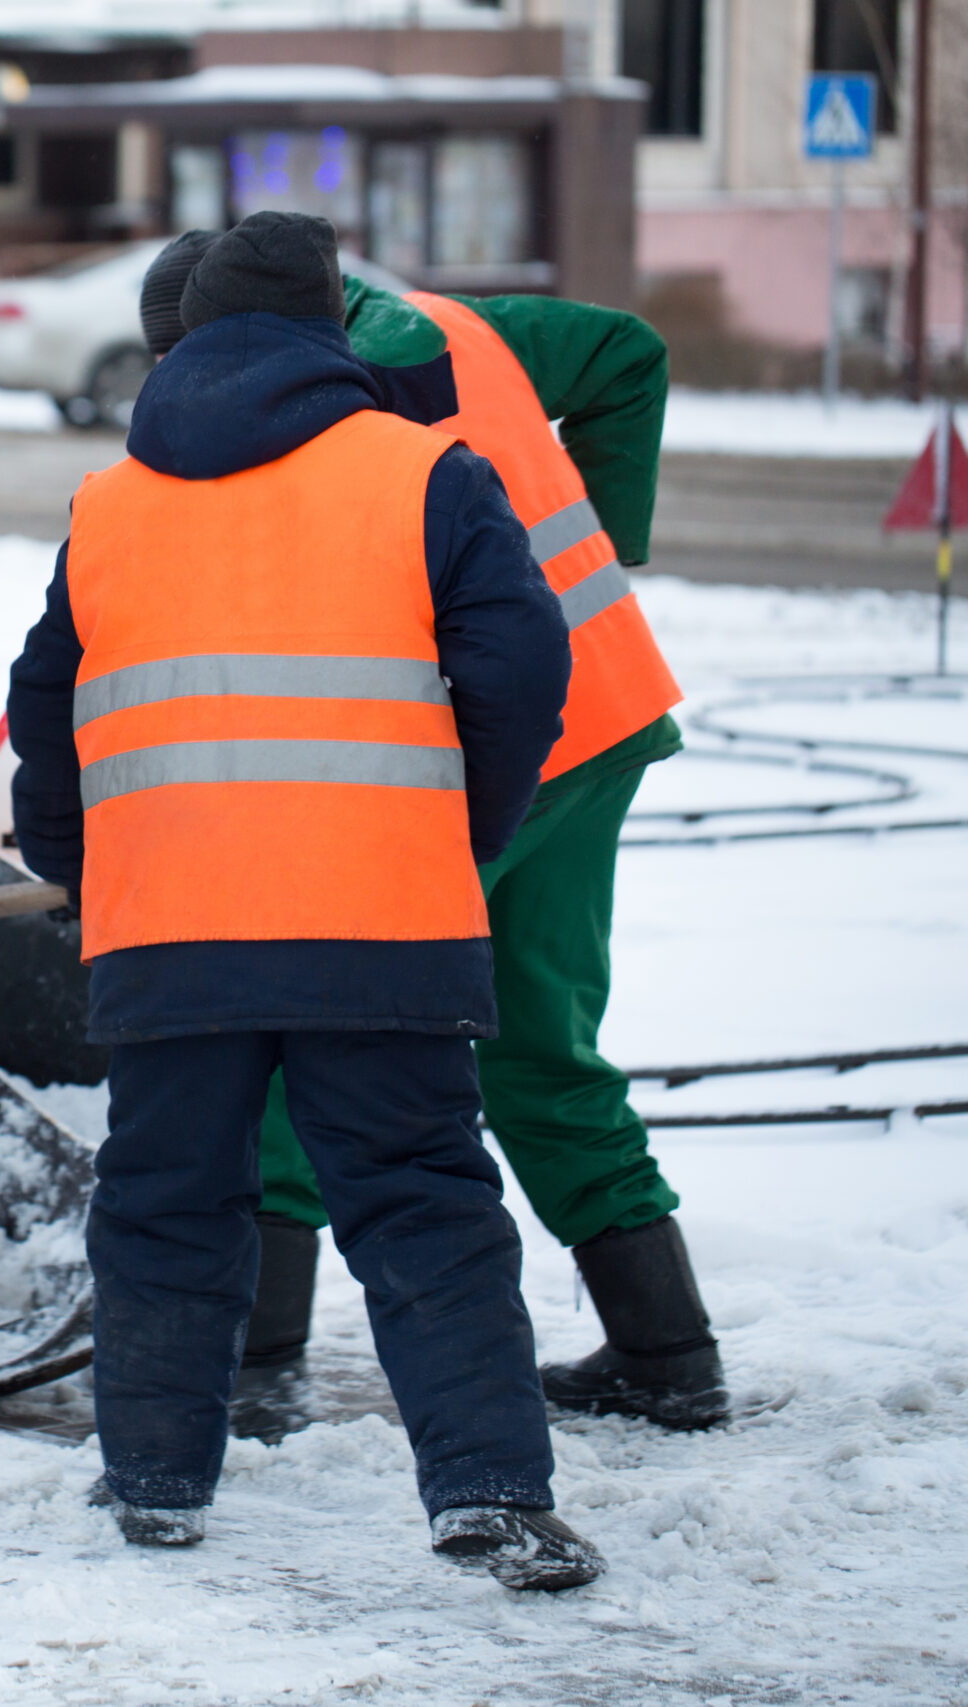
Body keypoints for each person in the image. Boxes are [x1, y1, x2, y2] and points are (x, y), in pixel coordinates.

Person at [6, 212, 603, 1589]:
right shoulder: (423, 472)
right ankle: (491, 1492)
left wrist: (79, 869)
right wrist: (463, 829)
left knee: (164, 1199)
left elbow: (46, 704)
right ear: (336, 331)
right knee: (421, 1200)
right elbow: (521, 663)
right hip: (379, 916)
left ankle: (153, 1476)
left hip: (168, 927)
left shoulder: (113, 501)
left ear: (193, 334)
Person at [221, 274, 720, 1436]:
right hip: (601, 715)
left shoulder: (313, 404)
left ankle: (253, 1360)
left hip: (489, 747)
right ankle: (668, 1353)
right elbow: (631, 347)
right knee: (540, 1042)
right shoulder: (464, 322)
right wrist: (606, 534)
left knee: (302, 1028)